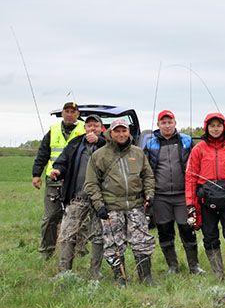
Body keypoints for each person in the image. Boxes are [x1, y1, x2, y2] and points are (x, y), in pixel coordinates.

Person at [84, 119, 155, 286]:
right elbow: (91, 183)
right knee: (114, 245)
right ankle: (120, 279)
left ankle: (146, 278)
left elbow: (148, 176)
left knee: (142, 242)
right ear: (110, 133)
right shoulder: (99, 155)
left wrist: (149, 194)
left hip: (136, 206)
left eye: (124, 131)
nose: (121, 134)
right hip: (111, 208)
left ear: (129, 132)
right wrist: (99, 205)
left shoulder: (138, 153)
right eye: (117, 131)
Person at [185, 113, 225, 280]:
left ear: (224, 127)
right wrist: (190, 203)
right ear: (206, 127)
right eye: (212, 126)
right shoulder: (198, 149)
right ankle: (218, 273)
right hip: (206, 201)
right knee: (210, 236)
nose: (215, 129)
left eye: (218, 125)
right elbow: (190, 176)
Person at [142, 110, 204, 275]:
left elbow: (197, 163)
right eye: (163, 123)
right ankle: (173, 266)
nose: (167, 125)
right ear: (158, 125)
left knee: (187, 229)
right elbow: (145, 170)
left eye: (170, 122)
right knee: (164, 231)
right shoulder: (150, 144)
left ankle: (194, 266)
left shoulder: (186, 140)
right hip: (160, 196)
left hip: (183, 195)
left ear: (175, 123)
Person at [50, 114, 106, 278]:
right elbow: (62, 162)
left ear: (101, 128)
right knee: (68, 233)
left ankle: (95, 272)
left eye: (96, 125)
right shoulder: (75, 143)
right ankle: (64, 272)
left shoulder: (108, 143)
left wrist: (99, 141)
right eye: (89, 125)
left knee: (98, 235)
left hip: (100, 200)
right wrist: (57, 171)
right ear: (84, 128)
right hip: (77, 197)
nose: (92, 128)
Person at [31, 101, 86, 259]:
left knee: (80, 218)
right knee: (50, 217)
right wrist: (36, 174)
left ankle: (80, 251)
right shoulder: (53, 130)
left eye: (73, 112)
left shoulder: (85, 129)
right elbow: (43, 154)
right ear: (62, 113)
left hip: (75, 181)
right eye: (66, 111)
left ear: (78, 114)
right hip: (54, 179)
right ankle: (46, 251)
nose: (69, 114)